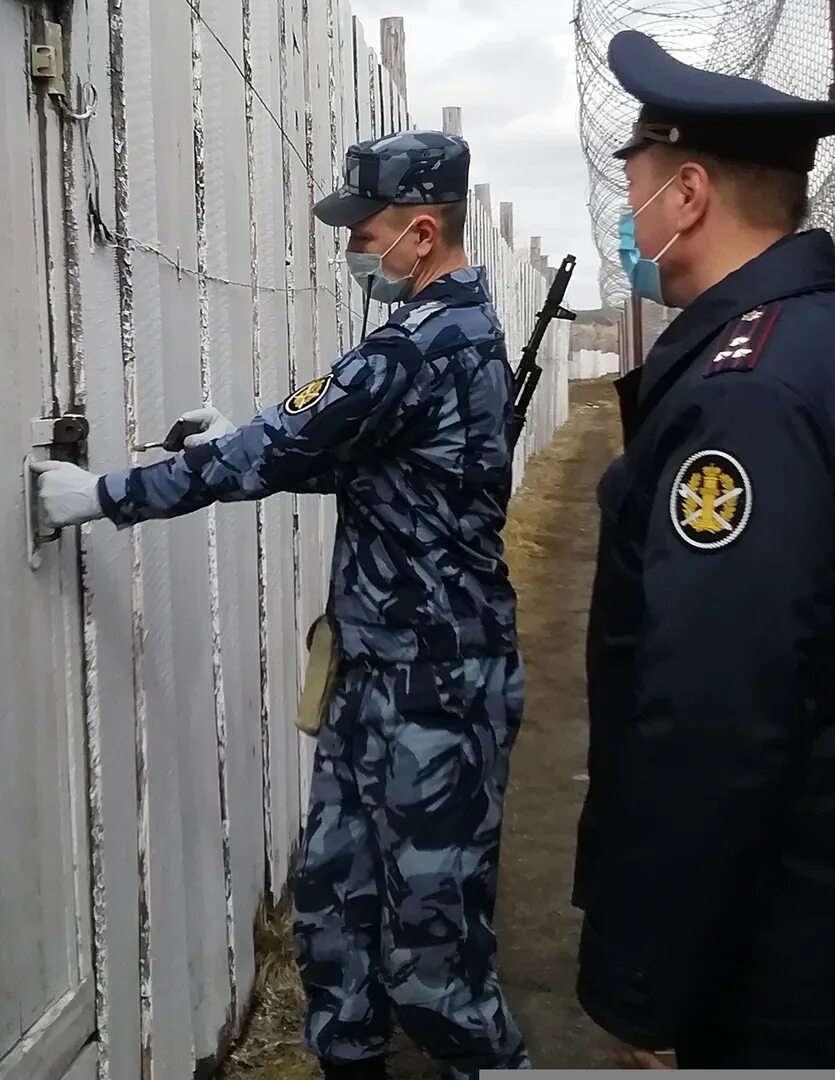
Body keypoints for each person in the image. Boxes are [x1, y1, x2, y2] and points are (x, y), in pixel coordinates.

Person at [33, 130, 529, 1079]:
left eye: (367, 230)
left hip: (437, 688)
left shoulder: (421, 345)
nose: (355, 249)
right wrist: (245, 440)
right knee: (338, 910)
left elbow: (277, 448)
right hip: (378, 672)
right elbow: (383, 468)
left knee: (432, 957)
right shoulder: (449, 337)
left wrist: (103, 497)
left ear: (420, 233)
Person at [573, 30, 835, 1070]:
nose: (627, 215)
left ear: (686, 193)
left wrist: (648, 987)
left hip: (752, 969)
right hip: (817, 926)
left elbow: (715, 717)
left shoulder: (747, 399)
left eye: (635, 182)